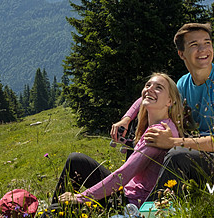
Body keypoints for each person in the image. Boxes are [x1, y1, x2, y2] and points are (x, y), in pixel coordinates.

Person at [142, 22, 214, 195]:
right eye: (194, 45)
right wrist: (127, 118)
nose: (203, 50)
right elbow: (157, 100)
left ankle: (149, 216)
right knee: (149, 136)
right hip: (201, 153)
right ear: (181, 54)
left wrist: (172, 142)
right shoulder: (184, 83)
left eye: (207, 43)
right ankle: (135, 195)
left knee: (177, 156)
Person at [49, 73, 184, 210]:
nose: (150, 89)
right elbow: (141, 100)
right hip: (128, 194)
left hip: (131, 204)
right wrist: (127, 118)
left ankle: (56, 211)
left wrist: (82, 197)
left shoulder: (157, 133)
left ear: (170, 101)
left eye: (158, 87)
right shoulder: (165, 125)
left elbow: (124, 174)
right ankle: (60, 209)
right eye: (148, 85)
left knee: (75, 163)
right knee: (76, 160)